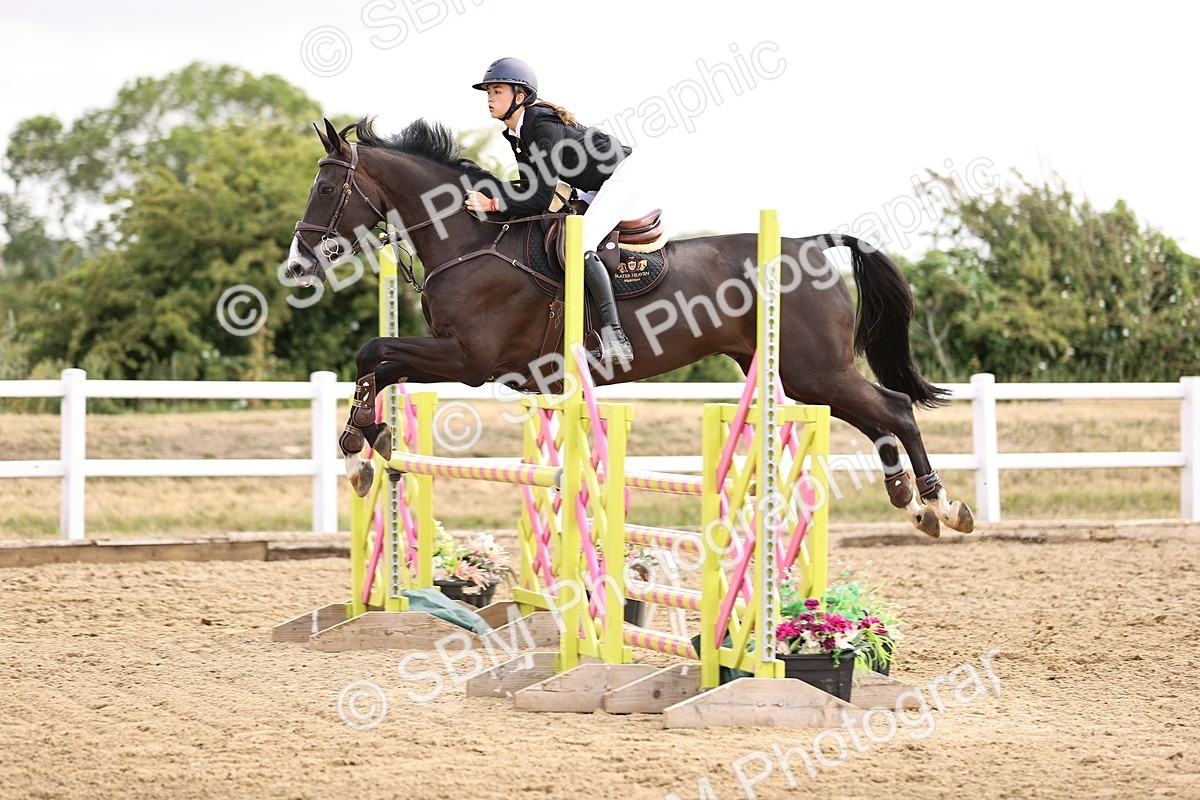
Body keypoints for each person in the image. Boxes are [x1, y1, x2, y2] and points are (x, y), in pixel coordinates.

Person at [465, 57, 650, 366]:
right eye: (488, 92)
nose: (490, 98)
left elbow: (537, 197)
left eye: (497, 91)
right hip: (593, 185)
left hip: (621, 176)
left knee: (578, 245)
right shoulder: (516, 133)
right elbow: (529, 187)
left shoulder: (541, 123)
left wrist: (493, 203)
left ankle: (616, 339)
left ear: (519, 97)